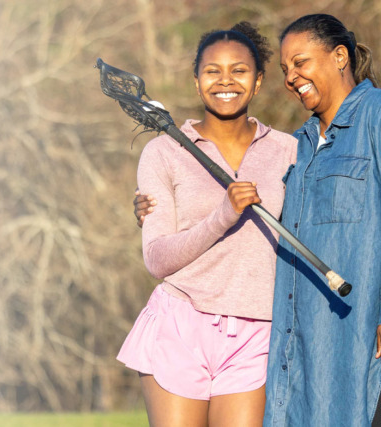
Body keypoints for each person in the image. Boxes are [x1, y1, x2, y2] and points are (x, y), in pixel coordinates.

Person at [135, 13, 381, 427]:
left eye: (301, 62)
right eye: (285, 69)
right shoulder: (299, 146)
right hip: (343, 340)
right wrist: (152, 209)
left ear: (339, 57)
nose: (292, 76)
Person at [117, 22, 297, 427]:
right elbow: (157, 259)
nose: (225, 80)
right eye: (212, 70)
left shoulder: (290, 151)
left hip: (257, 331)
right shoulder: (163, 152)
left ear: (258, 82)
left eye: (239, 70)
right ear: (197, 82)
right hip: (180, 323)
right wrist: (224, 215)